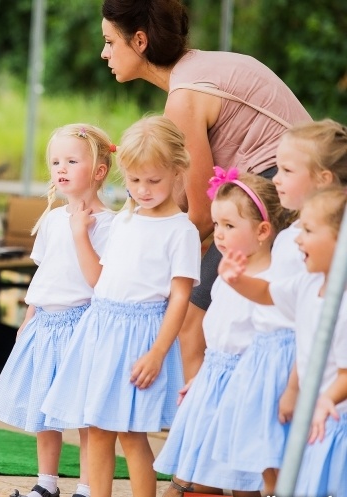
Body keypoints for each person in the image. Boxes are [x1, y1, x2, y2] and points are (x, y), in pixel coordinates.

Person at [99, 0, 311, 387]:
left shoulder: (185, 95)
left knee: (190, 323)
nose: (105, 53)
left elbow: (199, 216)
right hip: (273, 196)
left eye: (111, 42)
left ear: (140, 41)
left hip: (277, 195)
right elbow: (184, 202)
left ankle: (194, 435)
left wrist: (142, 261)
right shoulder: (199, 68)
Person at [42, 116, 200, 497]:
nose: (143, 190)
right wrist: (80, 236)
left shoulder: (179, 230)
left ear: (177, 173)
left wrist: (157, 352)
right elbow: (100, 280)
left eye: (153, 181)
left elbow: (179, 297)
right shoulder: (125, 220)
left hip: (139, 337)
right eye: (134, 180)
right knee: (95, 429)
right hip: (101, 329)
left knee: (131, 434)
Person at [0, 124, 116, 497]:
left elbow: (99, 281)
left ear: (99, 170)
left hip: (82, 324)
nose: (61, 169)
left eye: (72, 161)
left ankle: (87, 492)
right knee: (46, 408)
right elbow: (43, 275)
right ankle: (47, 484)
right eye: (55, 162)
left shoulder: (109, 224)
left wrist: (82, 233)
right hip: (47, 322)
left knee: (83, 416)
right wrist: (29, 317)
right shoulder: (53, 219)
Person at [210, 119, 347, 497]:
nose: (276, 179)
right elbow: (276, 295)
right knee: (264, 466)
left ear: (322, 178)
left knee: (292, 472)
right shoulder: (292, 238)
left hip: (298, 371)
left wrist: (291, 386)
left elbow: (302, 323)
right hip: (269, 362)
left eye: (287, 170)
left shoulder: (318, 246)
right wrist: (238, 281)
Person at [153, 172, 287, 497]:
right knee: (203, 477)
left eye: (229, 224)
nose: (220, 234)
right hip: (212, 383)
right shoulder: (225, 273)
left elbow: (269, 347)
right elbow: (218, 336)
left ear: (262, 231)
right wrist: (198, 378)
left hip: (245, 390)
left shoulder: (273, 281)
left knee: (243, 484)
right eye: (216, 224)